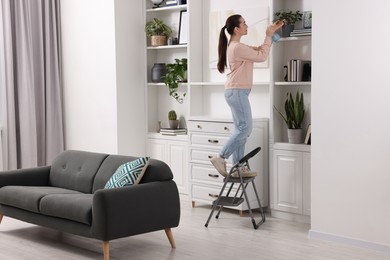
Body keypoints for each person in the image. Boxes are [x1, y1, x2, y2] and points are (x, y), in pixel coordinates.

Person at [210, 15, 284, 177]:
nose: (246, 25)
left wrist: (271, 35)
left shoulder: (237, 46)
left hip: (236, 92)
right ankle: (221, 157)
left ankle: (239, 167)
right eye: (244, 23)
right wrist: (268, 36)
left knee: (241, 130)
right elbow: (262, 56)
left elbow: (257, 50)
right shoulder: (237, 47)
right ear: (236, 29)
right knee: (245, 128)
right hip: (237, 92)